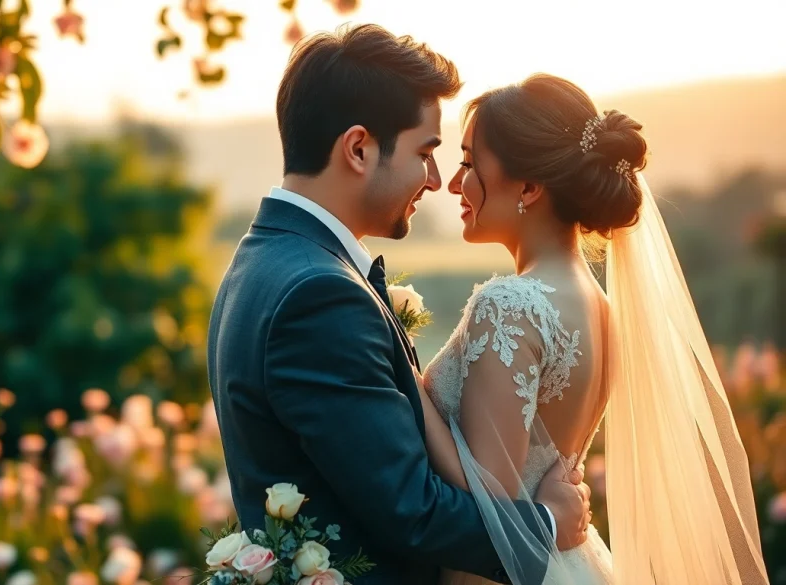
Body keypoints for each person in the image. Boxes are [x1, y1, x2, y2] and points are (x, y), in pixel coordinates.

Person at [207, 25, 590, 585]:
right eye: (426, 153)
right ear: (358, 149)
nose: (437, 181)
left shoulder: (263, 259)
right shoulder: (318, 295)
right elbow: (412, 511)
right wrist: (548, 523)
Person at [419, 73, 769, 585]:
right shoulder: (600, 307)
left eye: (470, 163)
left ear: (530, 186)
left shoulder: (510, 306)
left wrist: (408, 385)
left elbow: (491, 503)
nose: (454, 182)